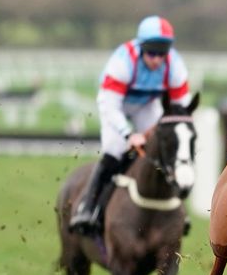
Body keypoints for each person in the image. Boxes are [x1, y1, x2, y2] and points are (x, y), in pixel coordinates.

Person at [68, 15, 192, 234]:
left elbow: (180, 108)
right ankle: (88, 206)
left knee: (164, 150)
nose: (157, 59)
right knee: (114, 151)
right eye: (152, 53)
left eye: (162, 53)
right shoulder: (123, 62)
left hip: (147, 105)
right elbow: (109, 106)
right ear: (142, 48)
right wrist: (128, 134)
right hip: (116, 105)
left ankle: (178, 208)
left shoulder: (175, 66)